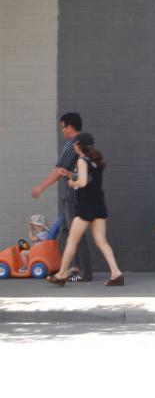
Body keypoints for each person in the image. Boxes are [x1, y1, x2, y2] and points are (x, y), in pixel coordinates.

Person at [46, 133, 125, 287]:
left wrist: (72, 183)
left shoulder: (82, 160)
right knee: (102, 241)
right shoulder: (97, 162)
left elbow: (82, 182)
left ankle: (61, 274)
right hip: (99, 205)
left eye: (75, 144)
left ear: (79, 146)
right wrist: (70, 174)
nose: (74, 146)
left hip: (86, 206)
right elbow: (88, 180)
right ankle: (117, 274)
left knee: (72, 240)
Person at [31, 112, 93, 282]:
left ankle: (84, 272)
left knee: (75, 234)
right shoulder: (84, 143)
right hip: (77, 196)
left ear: (69, 126)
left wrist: (41, 187)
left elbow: (59, 171)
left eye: (62, 127)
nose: (62, 130)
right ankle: (74, 268)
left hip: (74, 197)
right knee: (66, 230)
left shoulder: (72, 145)